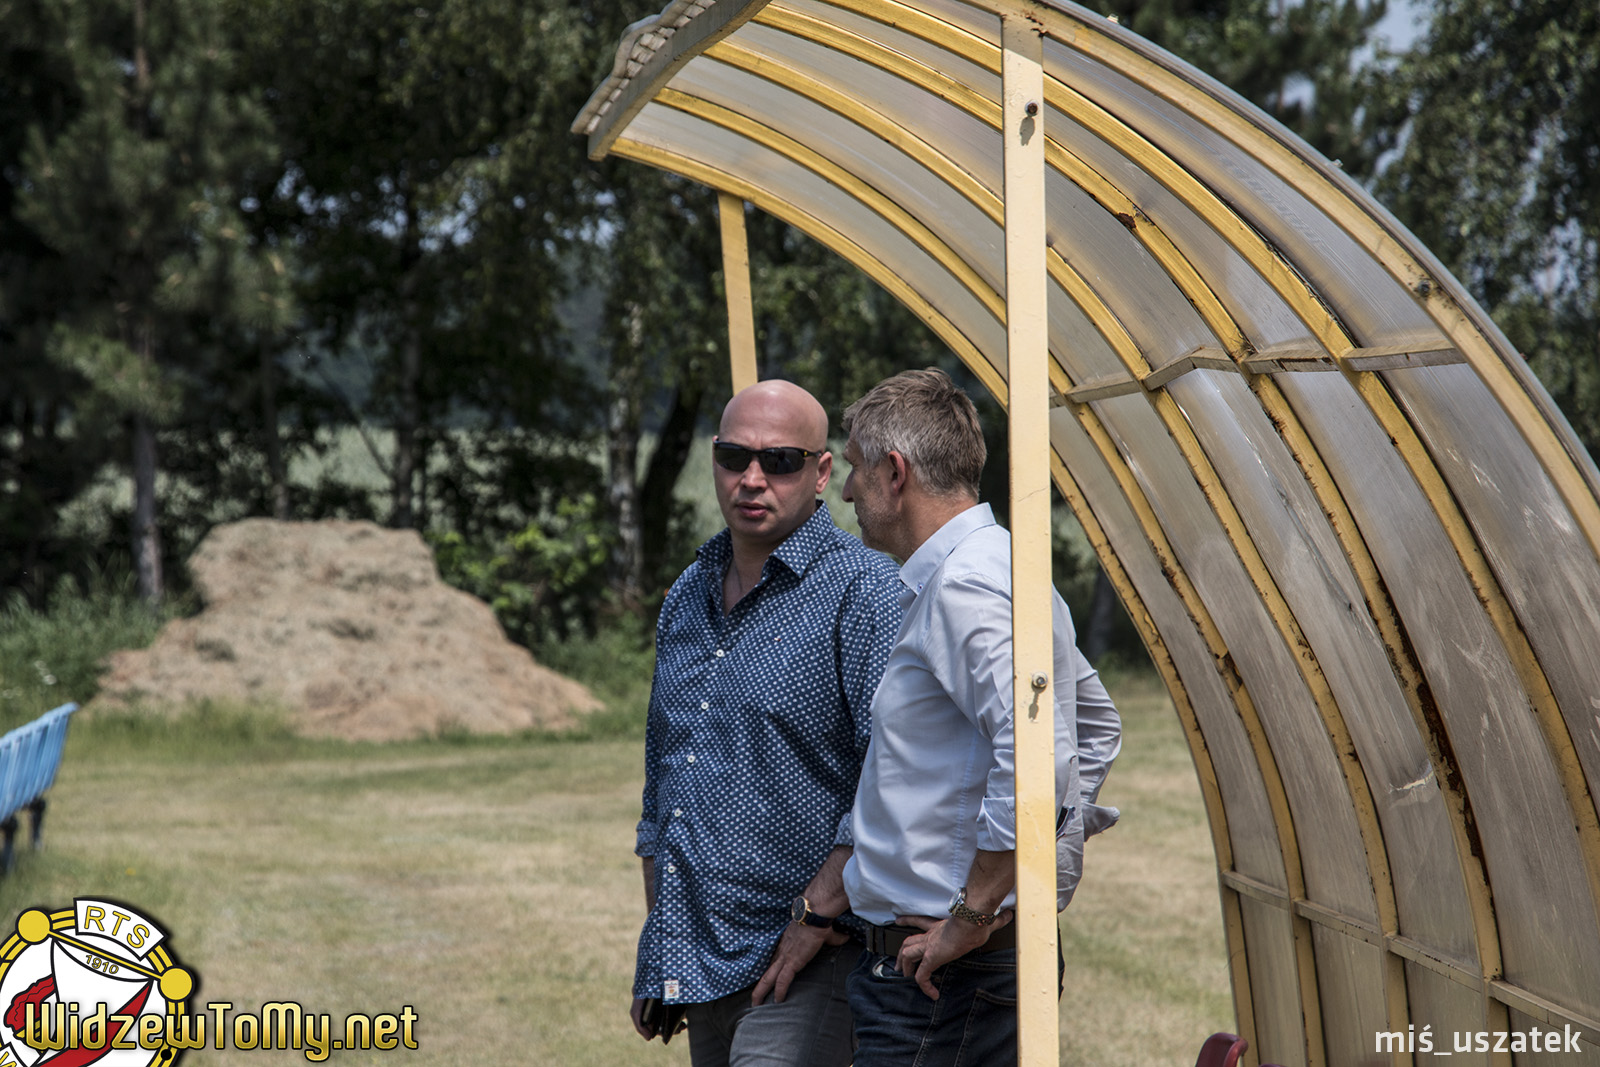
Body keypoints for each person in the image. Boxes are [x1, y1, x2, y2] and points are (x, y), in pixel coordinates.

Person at [833, 367, 1122, 1065]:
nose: (846, 491)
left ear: (894, 472)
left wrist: (977, 910)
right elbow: (1093, 726)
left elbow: (1040, 753)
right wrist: (1026, 877)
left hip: (942, 978)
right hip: (956, 967)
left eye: (854, 469)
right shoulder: (1000, 565)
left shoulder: (965, 585)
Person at [629, 379, 904, 1067]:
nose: (752, 479)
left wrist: (818, 911)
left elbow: (891, 775)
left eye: (779, 461)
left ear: (822, 472)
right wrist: (661, 941)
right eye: (733, 457)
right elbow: (664, 779)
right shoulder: (688, 592)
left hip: (809, 959)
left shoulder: (864, 592)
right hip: (701, 958)